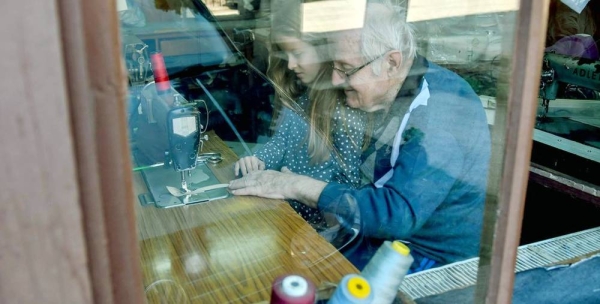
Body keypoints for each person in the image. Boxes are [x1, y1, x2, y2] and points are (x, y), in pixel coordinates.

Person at [229, 0, 491, 272]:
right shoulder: (393, 91)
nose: (334, 79)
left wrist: (294, 185)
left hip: (431, 261)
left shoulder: (440, 111)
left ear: (391, 63)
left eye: (345, 68)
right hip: (384, 241)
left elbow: (395, 214)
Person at [233, 3, 367, 232]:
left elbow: (350, 187)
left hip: (315, 229)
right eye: (286, 55)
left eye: (298, 53)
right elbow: (280, 144)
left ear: (324, 50)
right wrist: (257, 159)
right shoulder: (302, 98)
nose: (291, 64)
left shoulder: (345, 112)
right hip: (286, 215)